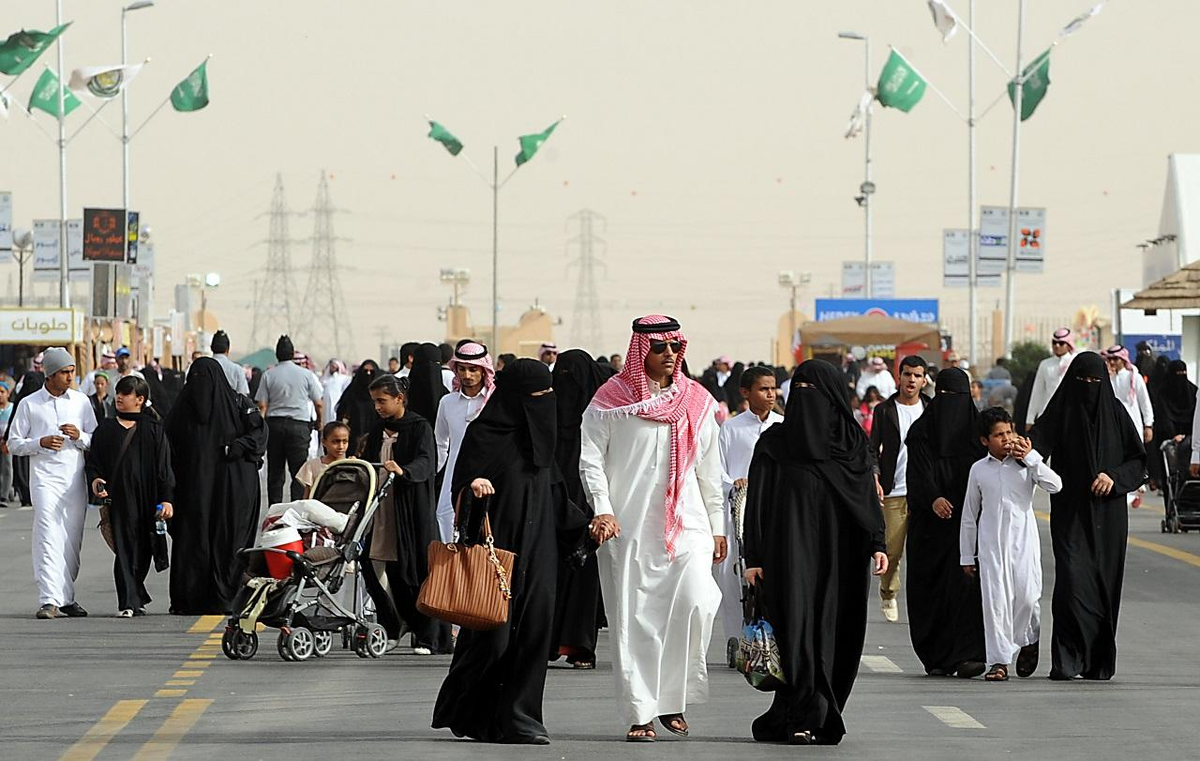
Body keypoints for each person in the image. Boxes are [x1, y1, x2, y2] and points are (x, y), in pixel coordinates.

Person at [579, 315, 726, 742]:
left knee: (699, 602)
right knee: (637, 620)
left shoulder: (697, 402)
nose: (668, 356)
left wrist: (717, 526)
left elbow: (710, 472)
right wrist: (603, 510)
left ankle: (672, 699)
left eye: (674, 348)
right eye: (659, 348)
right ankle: (642, 712)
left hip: (689, 525)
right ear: (640, 351)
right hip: (630, 528)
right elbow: (591, 461)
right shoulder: (611, 401)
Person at [433, 360, 584, 745]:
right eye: (537, 397)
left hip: (540, 556)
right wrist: (475, 488)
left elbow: (557, 497)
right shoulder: (485, 434)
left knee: (534, 633)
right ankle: (469, 710)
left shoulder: (541, 441)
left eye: (547, 396)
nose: (544, 404)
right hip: (496, 554)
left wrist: (588, 530)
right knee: (492, 639)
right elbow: (461, 489)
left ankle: (521, 719)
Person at [742, 360, 888, 746]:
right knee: (796, 630)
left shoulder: (853, 446)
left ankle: (820, 711)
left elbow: (866, 500)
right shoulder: (774, 444)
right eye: (799, 391)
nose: (806, 400)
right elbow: (755, 504)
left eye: (814, 392)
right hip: (787, 557)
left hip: (842, 559)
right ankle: (800, 713)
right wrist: (752, 558)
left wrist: (877, 543)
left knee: (832, 632)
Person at [1030, 352, 1145, 680]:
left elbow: (1138, 461)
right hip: (1070, 511)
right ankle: (1067, 660)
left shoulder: (1117, 413)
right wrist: (1020, 453)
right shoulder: (1060, 412)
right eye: (1084, 382)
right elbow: (1038, 445)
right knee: (1071, 579)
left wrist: (1113, 477)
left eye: (1096, 382)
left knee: (1104, 584)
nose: (1090, 388)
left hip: (1109, 517)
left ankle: (1096, 661)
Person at [961, 407, 1062, 682]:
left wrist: (1031, 458)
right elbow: (969, 515)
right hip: (991, 543)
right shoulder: (979, 470)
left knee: (1028, 597)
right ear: (985, 440)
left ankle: (1029, 638)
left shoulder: (1026, 463)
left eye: (1009, 432)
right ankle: (999, 662)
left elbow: (1055, 485)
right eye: (999, 435)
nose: (1006, 439)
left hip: (1023, 541)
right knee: (995, 603)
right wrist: (967, 555)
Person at [903, 367, 988, 677]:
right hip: (931, 527)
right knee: (931, 589)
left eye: (957, 397)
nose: (950, 404)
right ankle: (936, 654)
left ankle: (969, 654)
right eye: (944, 396)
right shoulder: (922, 432)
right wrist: (933, 498)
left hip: (969, 527)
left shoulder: (979, 435)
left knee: (968, 588)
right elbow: (917, 474)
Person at [166, 357, 267, 615]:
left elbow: (259, 434)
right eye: (195, 379)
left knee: (228, 538)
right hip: (193, 491)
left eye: (205, 379)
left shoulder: (238, 405)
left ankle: (227, 597)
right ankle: (191, 598)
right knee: (193, 538)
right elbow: (166, 451)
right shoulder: (180, 411)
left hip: (230, 490)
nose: (200, 387)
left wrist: (237, 447)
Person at [357, 375, 449, 654]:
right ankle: (393, 623)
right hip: (382, 510)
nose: (377, 407)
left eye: (382, 401)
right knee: (373, 563)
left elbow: (426, 462)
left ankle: (427, 635)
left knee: (417, 570)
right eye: (374, 402)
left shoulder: (419, 427)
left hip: (410, 509)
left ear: (399, 399)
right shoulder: (377, 430)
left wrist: (403, 470)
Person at [7, 349, 98, 619]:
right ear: (50, 375)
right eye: (65, 372)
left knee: (71, 538)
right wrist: (40, 443)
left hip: (74, 479)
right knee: (48, 533)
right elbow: (13, 443)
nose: (70, 376)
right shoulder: (29, 404)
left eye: (72, 371)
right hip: (45, 479)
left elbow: (96, 439)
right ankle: (48, 599)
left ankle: (66, 597)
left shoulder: (80, 402)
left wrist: (79, 435)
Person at [86, 376, 175, 617]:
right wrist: (96, 481)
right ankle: (128, 602)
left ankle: (136, 594)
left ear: (140, 399)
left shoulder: (154, 429)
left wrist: (167, 499)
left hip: (148, 499)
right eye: (119, 393)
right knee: (124, 548)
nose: (119, 397)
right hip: (119, 500)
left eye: (126, 394)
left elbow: (164, 469)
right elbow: (93, 462)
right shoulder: (105, 429)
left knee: (144, 548)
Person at [548, 349, 615, 670]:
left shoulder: (602, 414)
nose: (566, 387)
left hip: (589, 504)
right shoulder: (546, 414)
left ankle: (580, 646)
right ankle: (547, 642)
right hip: (552, 504)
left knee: (584, 574)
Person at [714, 366, 781, 648]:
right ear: (745, 392)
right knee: (732, 576)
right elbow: (716, 471)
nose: (770, 394)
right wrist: (734, 483)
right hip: (737, 514)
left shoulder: (782, 427)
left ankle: (769, 638)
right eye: (763, 389)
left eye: (772, 388)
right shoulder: (731, 428)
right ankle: (735, 636)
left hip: (772, 514)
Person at [869, 355, 927, 623]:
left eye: (916, 375)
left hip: (923, 491)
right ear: (899, 377)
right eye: (907, 374)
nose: (911, 380)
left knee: (922, 551)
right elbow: (873, 449)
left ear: (924, 380)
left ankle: (922, 602)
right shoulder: (884, 410)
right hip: (894, 490)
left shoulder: (931, 408)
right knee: (892, 549)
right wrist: (876, 475)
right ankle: (888, 592)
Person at [434, 342, 494, 542]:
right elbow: (441, 442)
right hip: (453, 474)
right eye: (462, 369)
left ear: (483, 370)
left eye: (473, 369)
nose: (467, 375)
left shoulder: (494, 402)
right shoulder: (447, 403)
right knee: (446, 521)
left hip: (488, 475)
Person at [255, 335, 324, 505]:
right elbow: (319, 403)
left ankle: (275, 511)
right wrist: (320, 424)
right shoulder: (306, 375)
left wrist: (259, 430)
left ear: (277, 354)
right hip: (299, 427)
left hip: (275, 426)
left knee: (276, 474)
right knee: (299, 473)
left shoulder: (268, 375)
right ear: (292, 353)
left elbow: (262, 406)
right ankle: (296, 509)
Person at [1104, 345, 1154, 508]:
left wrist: (1148, 424)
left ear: (1123, 360)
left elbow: (1145, 402)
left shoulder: (1134, 377)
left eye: (1115, 359)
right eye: (1110, 359)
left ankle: (1136, 489)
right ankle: (1128, 494)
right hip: (1112, 424)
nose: (1112, 362)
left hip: (1133, 424)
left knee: (1134, 457)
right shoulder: (1106, 377)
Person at [6, 370, 46, 507]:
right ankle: (26, 495)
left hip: (40, 446)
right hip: (24, 444)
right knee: (22, 472)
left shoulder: (43, 402)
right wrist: (7, 438)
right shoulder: (24, 402)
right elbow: (13, 423)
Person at [1026, 327, 1078, 430]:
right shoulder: (1045, 364)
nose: (1057, 346)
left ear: (1069, 345)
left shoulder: (1076, 361)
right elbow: (1037, 392)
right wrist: (1030, 419)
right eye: (1054, 343)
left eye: (1061, 343)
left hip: (1070, 415)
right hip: (1047, 414)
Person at [295, 421, 352, 498]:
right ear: (324, 442)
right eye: (335, 442)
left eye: (345, 442)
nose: (341, 446)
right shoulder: (312, 466)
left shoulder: (352, 466)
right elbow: (307, 496)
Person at [336, 359, 380, 452]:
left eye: (371, 372)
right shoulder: (352, 393)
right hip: (353, 436)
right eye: (365, 371)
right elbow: (343, 413)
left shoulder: (380, 395)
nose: (368, 374)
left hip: (376, 436)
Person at [406, 343, 448, 432]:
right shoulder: (403, 396)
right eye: (425, 364)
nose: (431, 369)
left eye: (436, 364)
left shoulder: (447, 398)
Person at [210, 330, 250, 395]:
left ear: (211, 348)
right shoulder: (237, 369)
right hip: (230, 404)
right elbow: (243, 395)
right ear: (228, 349)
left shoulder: (203, 368)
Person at [320, 359, 351, 426]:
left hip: (337, 402)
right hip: (326, 404)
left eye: (334, 367)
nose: (332, 368)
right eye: (331, 366)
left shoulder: (344, 378)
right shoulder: (325, 379)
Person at [0, 381, 12, 505]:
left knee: (7, 467)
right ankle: (7, 491)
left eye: (2, 392)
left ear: (8, 394)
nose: (0, 395)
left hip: (7, 442)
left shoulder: (12, 408)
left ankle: (4, 496)